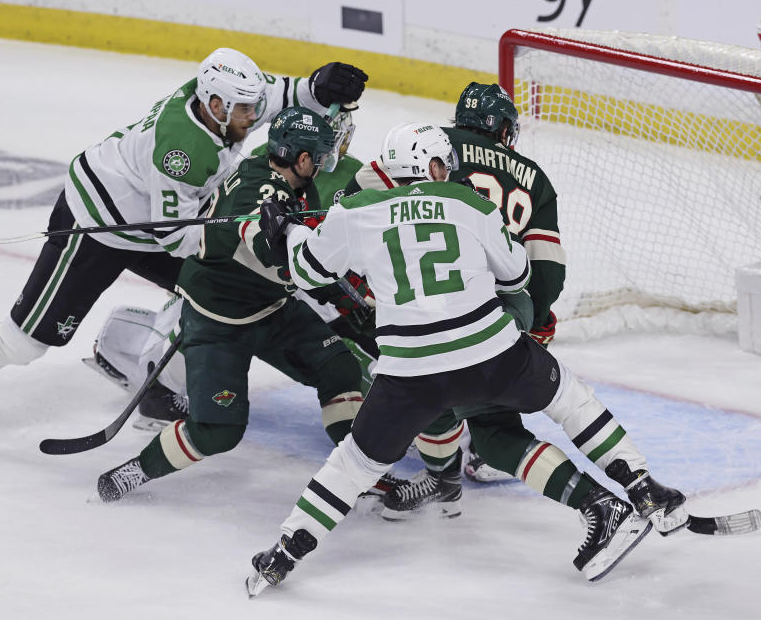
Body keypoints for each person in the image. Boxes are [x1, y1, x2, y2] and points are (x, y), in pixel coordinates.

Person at [247, 123, 689, 594]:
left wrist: (288, 228)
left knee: (354, 462)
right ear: (434, 166)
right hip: (491, 353)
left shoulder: (355, 211)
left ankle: (284, 554)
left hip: (410, 374)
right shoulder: (469, 203)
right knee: (568, 398)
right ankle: (641, 489)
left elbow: (308, 272)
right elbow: (517, 273)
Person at [0, 48, 368, 440]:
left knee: (217, 290)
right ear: (215, 106)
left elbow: (268, 94)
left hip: (147, 221)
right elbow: (176, 238)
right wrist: (246, 230)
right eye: (244, 110)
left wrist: (313, 86)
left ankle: (163, 387)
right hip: (99, 225)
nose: (254, 115)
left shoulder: (217, 95)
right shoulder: (184, 150)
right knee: (26, 340)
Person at [94, 107, 377, 502]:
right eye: (321, 156)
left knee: (340, 368)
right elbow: (266, 238)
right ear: (301, 158)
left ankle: (360, 475)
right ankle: (135, 470)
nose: (327, 163)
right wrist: (282, 237)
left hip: (272, 308)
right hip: (218, 321)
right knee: (218, 431)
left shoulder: (282, 168)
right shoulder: (261, 190)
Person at [344, 82, 567, 518]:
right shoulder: (534, 177)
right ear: (505, 129)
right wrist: (535, 316)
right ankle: (474, 449)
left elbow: (355, 195)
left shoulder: (430, 147)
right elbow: (548, 273)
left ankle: (444, 468)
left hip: (422, 297)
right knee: (482, 389)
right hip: (497, 303)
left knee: (422, 371)